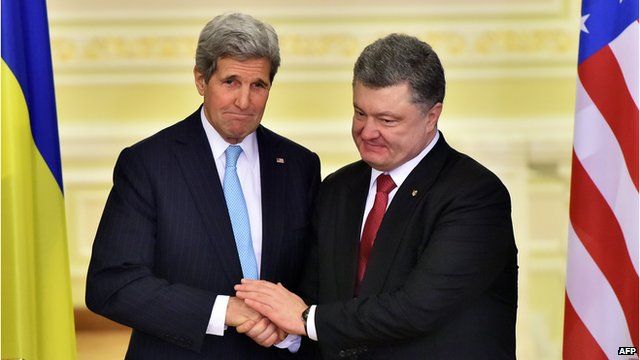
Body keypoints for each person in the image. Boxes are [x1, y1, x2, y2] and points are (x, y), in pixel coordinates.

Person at [235, 33, 518, 359]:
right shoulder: (337, 189)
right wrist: (283, 330)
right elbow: (311, 297)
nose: (367, 131)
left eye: (387, 120)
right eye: (359, 113)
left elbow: (417, 309)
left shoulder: (475, 195)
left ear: (432, 116)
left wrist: (305, 320)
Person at [86, 13, 320, 359]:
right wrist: (224, 310)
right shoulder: (148, 163)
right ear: (201, 79)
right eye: (230, 82)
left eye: (258, 86)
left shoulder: (299, 165)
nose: (244, 101)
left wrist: (292, 329)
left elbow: (316, 274)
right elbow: (112, 284)